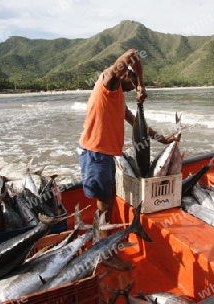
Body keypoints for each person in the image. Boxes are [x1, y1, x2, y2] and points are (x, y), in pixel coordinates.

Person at [78, 49, 174, 270]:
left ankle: (102, 243)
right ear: (125, 75)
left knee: (107, 201)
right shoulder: (109, 82)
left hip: (103, 154)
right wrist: (141, 83)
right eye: (131, 84)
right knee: (104, 204)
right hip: (95, 153)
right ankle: (103, 252)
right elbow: (132, 53)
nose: (132, 89)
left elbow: (135, 122)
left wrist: (163, 139)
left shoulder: (118, 96)